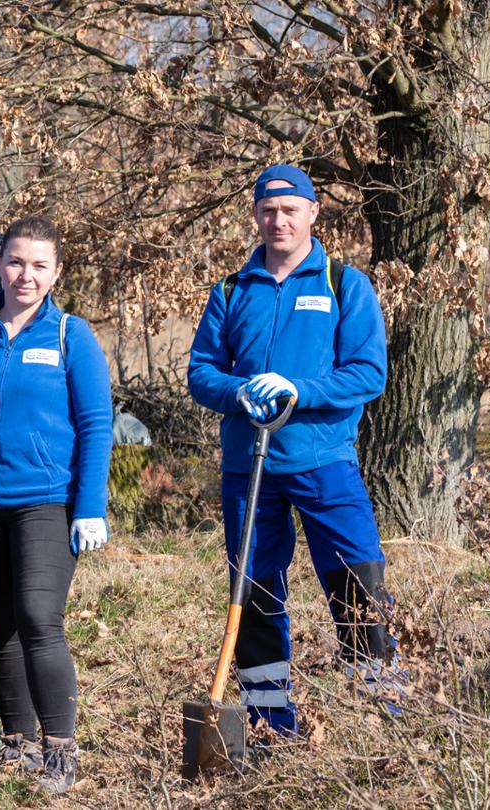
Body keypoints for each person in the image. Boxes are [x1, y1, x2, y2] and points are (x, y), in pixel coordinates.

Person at [186, 165, 398, 740]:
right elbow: (201, 373)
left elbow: (368, 373)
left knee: (358, 580)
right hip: (248, 467)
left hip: (325, 461)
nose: (278, 220)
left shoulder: (341, 283)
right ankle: (271, 724)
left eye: (289, 209)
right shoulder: (231, 290)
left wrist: (300, 391)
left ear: (312, 213)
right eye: (267, 210)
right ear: (255, 215)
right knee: (254, 591)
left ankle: (384, 713)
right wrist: (239, 391)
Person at [0, 215, 112, 793]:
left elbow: (95, 424)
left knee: (40, 618)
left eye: (40, 265)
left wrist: (90, 505)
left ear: (56, 272)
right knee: (3, 625)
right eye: (15, 262)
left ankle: (61, 749)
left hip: (45, 503)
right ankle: (17, 743)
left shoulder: (71, 336)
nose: (25, 275)